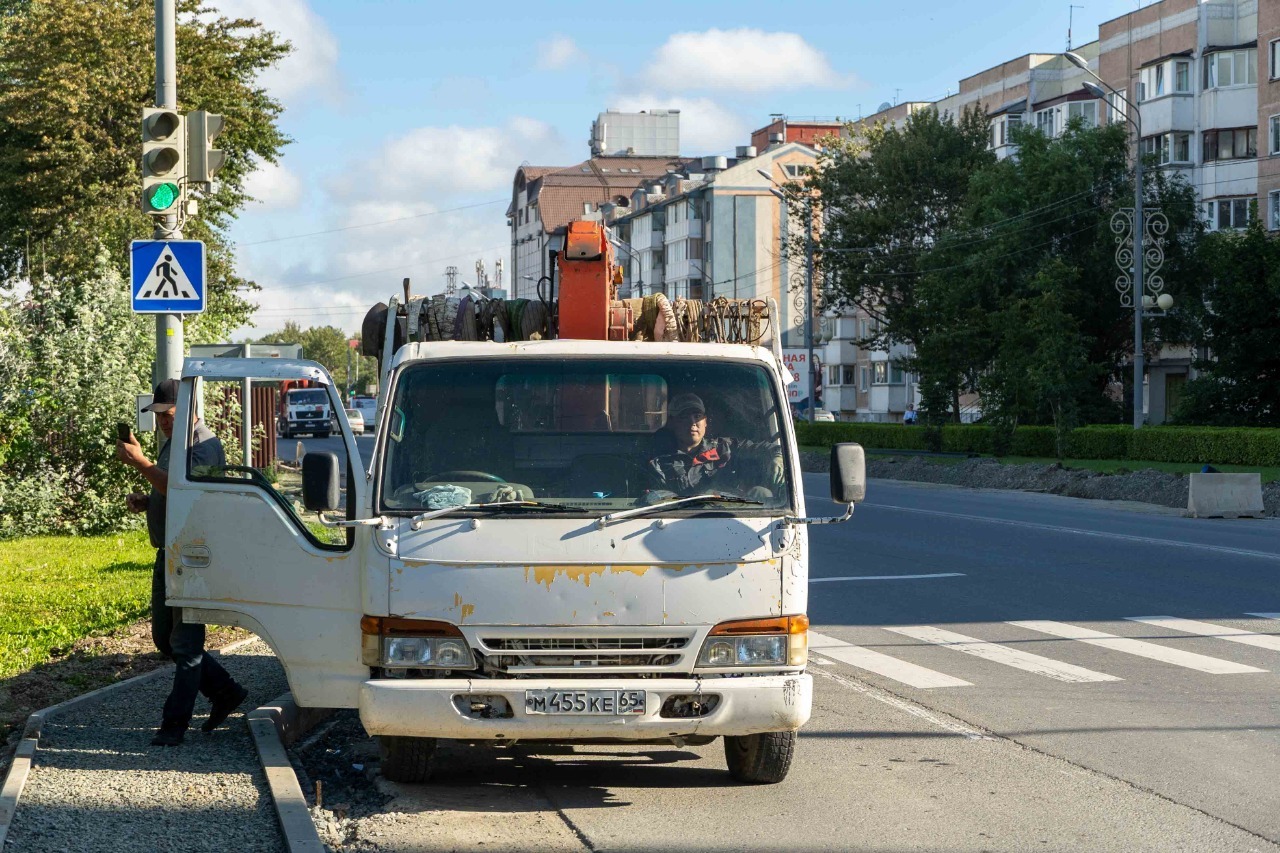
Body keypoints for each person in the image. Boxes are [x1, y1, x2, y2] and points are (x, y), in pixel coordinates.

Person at [117, 378, 248, 747]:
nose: (163, 422)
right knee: (165, 639)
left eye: (170, 415)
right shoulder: (174, 443)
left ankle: (174, 725)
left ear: (191, 409)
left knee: (187, 646)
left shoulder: (204, 446)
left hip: (193, 558)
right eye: (159, 416)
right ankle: (225, 692)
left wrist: (141, 463)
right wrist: (148, 501)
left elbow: (188, 494)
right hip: (170, 554)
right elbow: (171, 493)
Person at [645, 393, 785, 501]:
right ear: (672, 423)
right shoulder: (660, 463)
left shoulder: (724, 447)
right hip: (681, 524)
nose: (693, 423)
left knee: (762, 493)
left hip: (731, 519)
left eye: (697, 416)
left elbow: (771, 449)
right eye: (684, 417)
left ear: (705, 422)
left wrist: (777, 458)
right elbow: (657, 502)